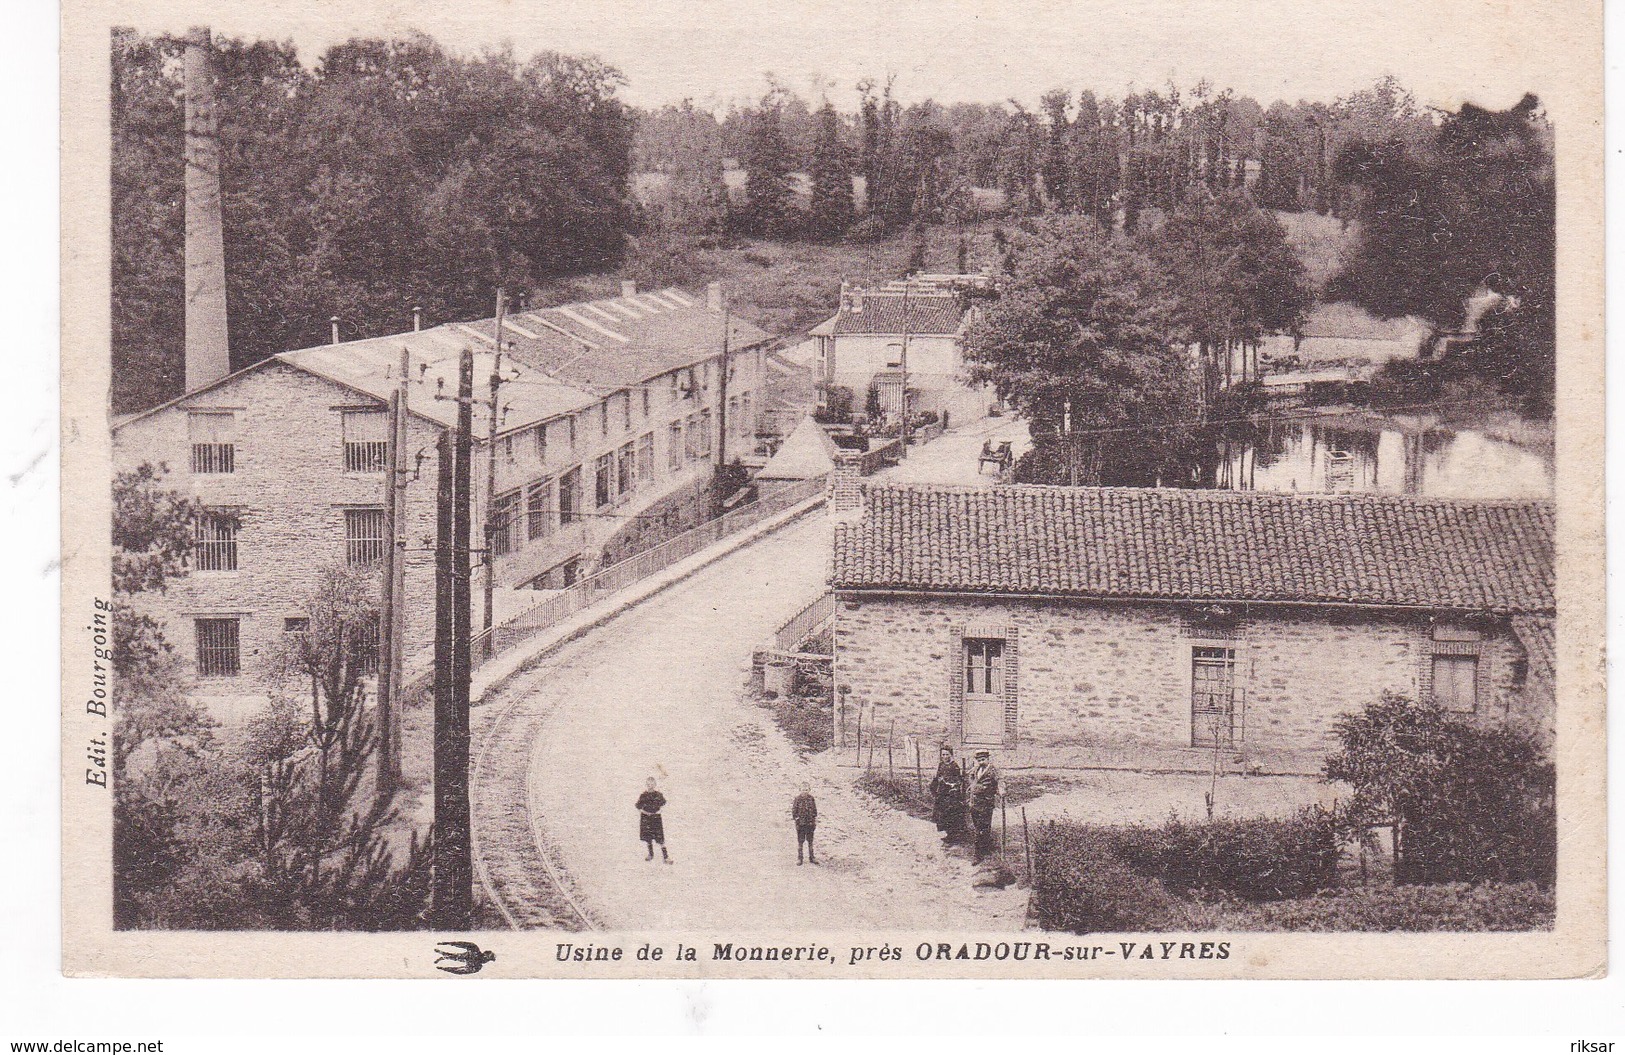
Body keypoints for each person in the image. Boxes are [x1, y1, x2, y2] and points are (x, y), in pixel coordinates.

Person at [968, 750, 1000, 864]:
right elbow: (971, 778)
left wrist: (1001, 790)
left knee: (981, 828)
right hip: (974, 803)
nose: (981, 762)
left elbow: (1000, 781)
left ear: (988, 759)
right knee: (979, 826)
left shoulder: (993, 771)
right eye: (979, 760)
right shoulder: (976, 769)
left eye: (983, 760)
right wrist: (972, 785)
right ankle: (986, 847)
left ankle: (978, 854)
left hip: (986, 804)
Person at [929, 746, 966, 841]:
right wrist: (934, 785)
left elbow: (958, 781)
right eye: (943, 755)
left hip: (951, 794)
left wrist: (949, 784)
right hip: (942, 793)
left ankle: (954, 835)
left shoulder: (954, 766)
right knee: (942, 813)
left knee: (951, 813)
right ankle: (948, 833)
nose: (945, 757)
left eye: (947, 754)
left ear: (951, 755)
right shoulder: (941, 765)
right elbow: (938, 777)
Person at [636, 778, 670, 864]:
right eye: (648, 784)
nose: (649, 786)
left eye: (651, 784)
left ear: (655, 785)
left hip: (656, 819)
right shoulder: (643, 795)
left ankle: (666, 857)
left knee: (660, 838)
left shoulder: (658, 795)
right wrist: (645, 813)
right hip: (646, 819)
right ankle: (650, 854)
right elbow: (639, 807)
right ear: (646, 784)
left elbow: (663, 805)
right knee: (648, 838)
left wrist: (659, 811)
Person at [791, 782, 819, 865]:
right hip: (801, 824)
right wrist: (797, 819)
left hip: (810, 823)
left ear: (809, 790)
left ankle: (812, 857)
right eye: (803, 790)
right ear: (800, 790)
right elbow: (794, 811)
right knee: (800, 841)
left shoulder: (811, 799)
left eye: (806, 790)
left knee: (810, 841)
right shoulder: (797, 799)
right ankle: (800, 858)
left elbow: (815, 811)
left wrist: (813, 820)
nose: (805, 792)